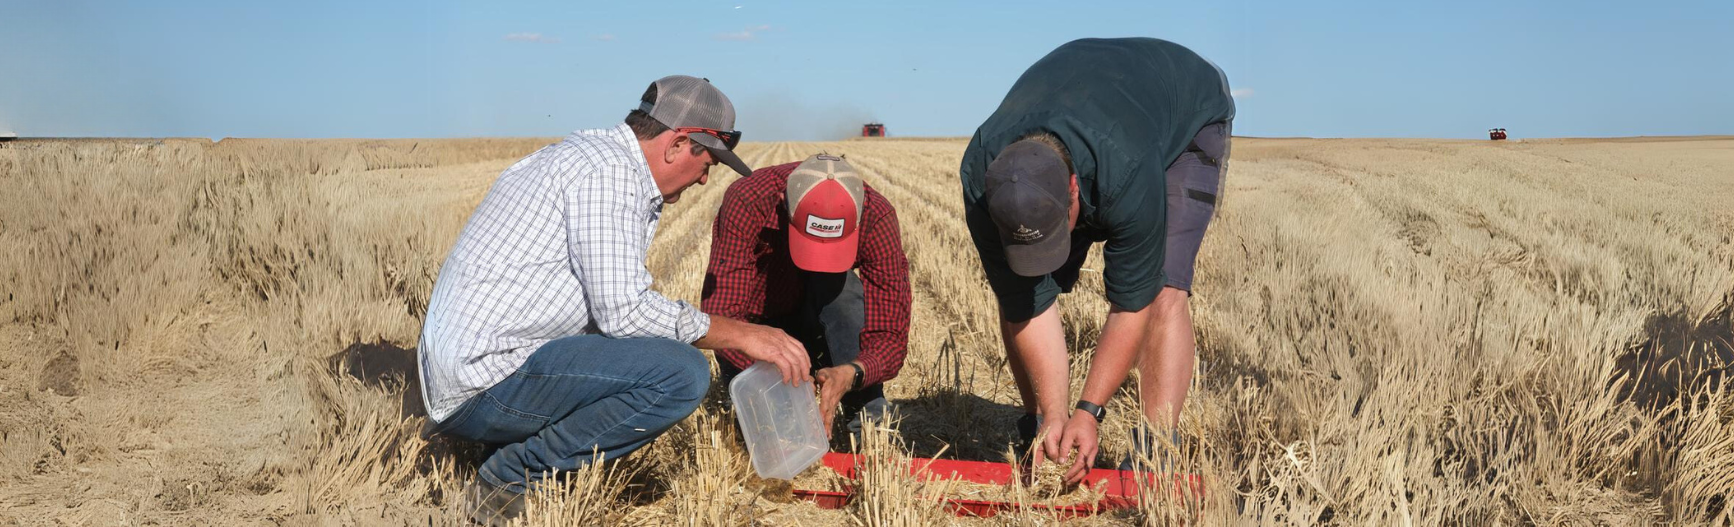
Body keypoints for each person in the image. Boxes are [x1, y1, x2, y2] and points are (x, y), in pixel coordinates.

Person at [417, 75, 813, 525]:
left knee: (642, 354)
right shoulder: (609, 175)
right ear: (678, 143)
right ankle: (510, 475)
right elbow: (624, 313)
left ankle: (505, 446)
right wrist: (740, 334)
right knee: (679, 374)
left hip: (479, 374)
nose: (705, 180)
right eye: (707, 164)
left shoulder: (594, 159)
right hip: (483, 385)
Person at [958, 38, 1235, 483]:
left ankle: (1155, 451)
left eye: (1054, 230)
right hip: (1095, 106)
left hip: (1183, 110)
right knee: (1017, 286)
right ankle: (1038, 432)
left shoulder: (1126, 170)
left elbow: (1133, 304)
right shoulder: (980, 179)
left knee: (1163, 288)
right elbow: (1025, 304)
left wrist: (1088, 411)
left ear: (1073, 188)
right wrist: (1052, 413)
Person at [702, 154, 910, 443]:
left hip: (823, 311)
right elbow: (721, 315)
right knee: (772, 434)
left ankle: (869, 429)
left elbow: (890, 336)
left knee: (844, 290)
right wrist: (776, 383)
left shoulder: (878, 216)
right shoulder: (749, 199)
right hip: (762, 321)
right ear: (786, 206)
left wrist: (853, 372)